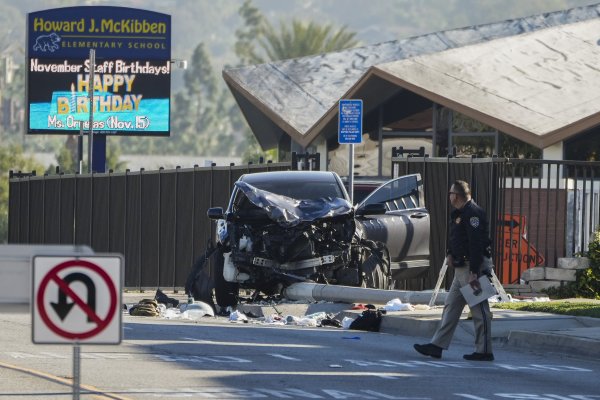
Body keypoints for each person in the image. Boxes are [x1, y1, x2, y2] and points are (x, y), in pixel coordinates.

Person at [414, 180, 494, 361]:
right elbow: (457, 238)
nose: (449, 196)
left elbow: (476, 244)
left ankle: (485, 350)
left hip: (472, 269)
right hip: (461, 270)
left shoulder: (473, 214)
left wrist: (475, 271)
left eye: (450, 193)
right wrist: (450, 253)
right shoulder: (459, 213)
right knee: (451, 307)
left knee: (480, 311)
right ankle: (437, 345)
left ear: (456, 196)